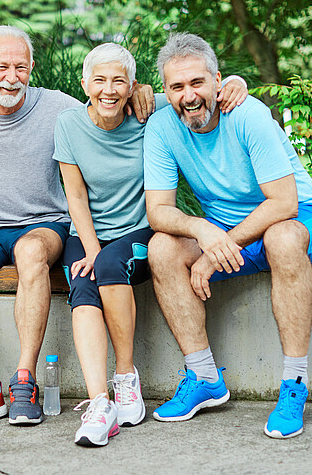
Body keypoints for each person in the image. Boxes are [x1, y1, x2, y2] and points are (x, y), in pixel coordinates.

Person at [0, 25, 160, 428]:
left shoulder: (59, 108)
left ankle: (23, 378)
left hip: (44, 225)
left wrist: (139, 88)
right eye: (1, 67)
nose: (11, 77)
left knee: (30, 252)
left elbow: (105, 99)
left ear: (32, 69)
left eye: (20, 67)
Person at [54, 43, 247, 447]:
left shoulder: (152, 109)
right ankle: (99, 403)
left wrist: (234, 82)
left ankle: (126, 378)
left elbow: (197, 93)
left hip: (139, 231)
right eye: (100, 80)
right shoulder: (68, 124)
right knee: (83, 285)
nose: (109, 90)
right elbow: (75, 196)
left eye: (119, 81)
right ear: (85, 84)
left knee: (108, 265)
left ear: (133, 86)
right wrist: (89, 247)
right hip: (87, 233)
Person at [144, 32, 312, 439]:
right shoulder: (163, 125)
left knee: (282, 239)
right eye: (177, 87)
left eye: (197, 83)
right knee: (162, 247)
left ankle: (294, 384)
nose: (188, 95)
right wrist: (202, 230)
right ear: (166, 91)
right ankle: (203, 377)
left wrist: (222, 245)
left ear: (218, 81)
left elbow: (284, 202)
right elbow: (159, 210)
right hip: (222, 227)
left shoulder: (247, 113)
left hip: (293, 216)